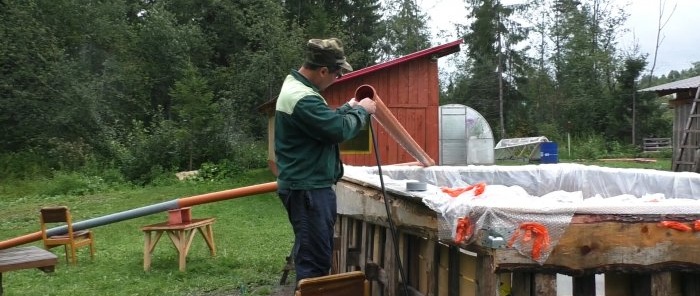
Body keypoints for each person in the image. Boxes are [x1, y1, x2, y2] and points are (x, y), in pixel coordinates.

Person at [274, 38, 376, 284]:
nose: (338, 78)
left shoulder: (298, 90)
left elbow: (322, 125)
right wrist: (362, 111)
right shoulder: (303, 98)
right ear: (322, 71)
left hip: (306, 188)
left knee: (310, 252)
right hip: (308, 190)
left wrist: (347, 107)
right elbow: (337, 131)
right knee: (314, 263)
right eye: (337, 73)